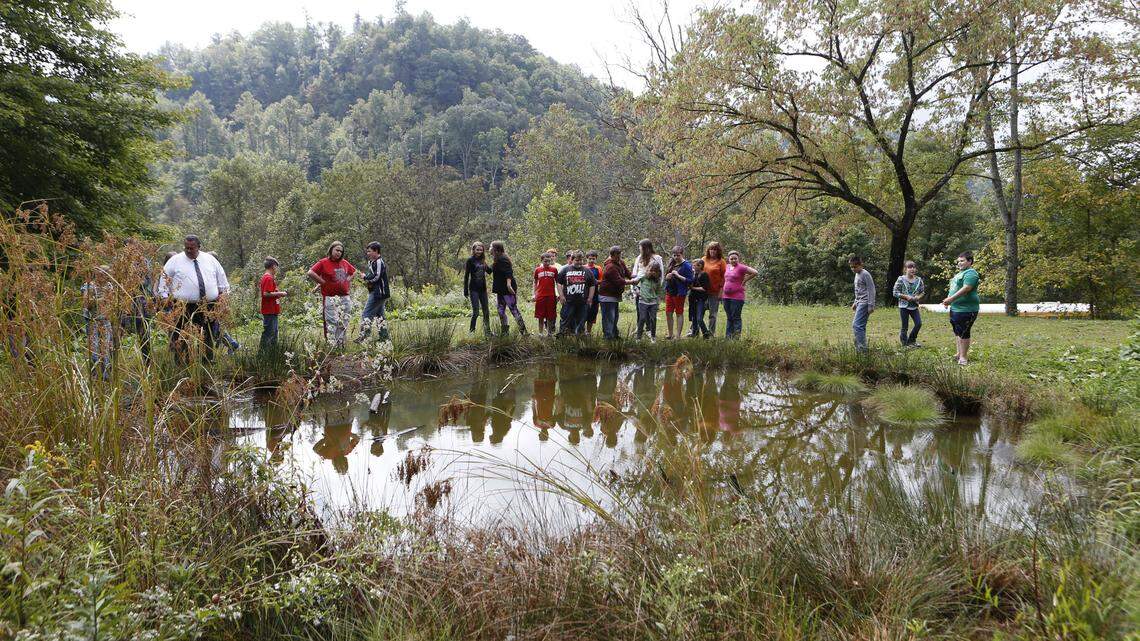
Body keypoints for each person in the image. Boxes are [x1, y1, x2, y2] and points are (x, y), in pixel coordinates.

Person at [158, 235, 230, 364]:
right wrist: (164, 297)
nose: (188, 251)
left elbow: (222, 279)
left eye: (192, 248)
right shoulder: (175, 260)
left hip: (209, 304)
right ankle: (181, 363)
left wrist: (223, 294)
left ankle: (206, 361)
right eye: (186, 248)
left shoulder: (210, 260)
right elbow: (163, 280)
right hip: (182, 305)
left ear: (199, 247)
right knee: (181, 334)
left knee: (208, 333)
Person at [307, 241, 357, 349]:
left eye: (341, 251)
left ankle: (341, 345)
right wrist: (322, 282)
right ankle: (331, 347)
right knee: (332, 322)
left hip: (344, 297)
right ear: (331, 250)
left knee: (344, 321)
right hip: (330, 297)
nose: (339, 253)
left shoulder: (344, 262)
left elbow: (354, 272)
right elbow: (310, 272)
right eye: (337, 250)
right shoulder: (323, 262)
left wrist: (348, 280)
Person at [941, 251, 980, 366]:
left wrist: (951, 299)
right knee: (957, 331)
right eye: (958, 261)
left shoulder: (971, 273)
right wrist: (948, 300)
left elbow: (967, 288)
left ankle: (963, 357)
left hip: (967, 309)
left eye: (962, 261)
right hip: (955, 309)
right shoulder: (959, 274)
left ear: (970, 261)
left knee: (964, 332)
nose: (959, 263)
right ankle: (959, 353)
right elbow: (954, 288)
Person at [82, 265, 115, 380]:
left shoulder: (109, 286)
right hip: (92, 321)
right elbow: (86, 304)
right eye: (105, 275)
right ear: (99, 274)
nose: (107, 277)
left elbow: (112, 302)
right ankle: (95, 375)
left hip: (105, 320)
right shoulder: (89, 286)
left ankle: (106, 376)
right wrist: (101, 300)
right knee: (94, 349)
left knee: (106, 348)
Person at [490, 240, 528, 336]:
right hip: (500, 290)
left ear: (496, 249)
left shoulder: (503, 258)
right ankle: (505, 333)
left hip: (507, 289)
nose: (489, 248)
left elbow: (509, 272)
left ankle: (524, 333)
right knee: (501, 311)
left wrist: (508, 285)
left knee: (513, 310)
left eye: (491, 246)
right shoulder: (497, 259)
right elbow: (489, 270)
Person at [205, 251, 240, 354]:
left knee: (215, 329)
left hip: (216, 304)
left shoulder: (216, 272)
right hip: (210, 305)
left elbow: (223, 290)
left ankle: (232, 344)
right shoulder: (209, 271)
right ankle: (232, 344)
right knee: (215, 328)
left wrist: (220, 305)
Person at [556, 250, 596, 336]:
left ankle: (579, 337)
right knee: (565, 319)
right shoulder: (565, 270)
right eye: (577, 260)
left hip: (583, 302)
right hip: (568, 301)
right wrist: (561, 296)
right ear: (572, 259)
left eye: (581, 260)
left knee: (581, 320)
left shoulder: (587, 271)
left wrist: (590, 298)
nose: (579, 262)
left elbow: (592, 285)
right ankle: (562, 337)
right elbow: (559, 283)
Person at [598, 246, 634, 340]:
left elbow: (628, 274)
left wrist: (638, 276)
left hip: (615, 295)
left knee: (615, 317)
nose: (618, 257)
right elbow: (619, 281)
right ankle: (608, 337)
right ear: (612, 255)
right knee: (609, 317)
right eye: (616, 255)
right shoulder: (610, 267)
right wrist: (633, 282)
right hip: (606, 295)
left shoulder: (621, 262)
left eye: (619, 254)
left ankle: (614, 334)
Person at [358, 241, 391, 342]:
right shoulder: (371, 262)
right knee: (380, 315)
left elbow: (376, 276)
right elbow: (372, 275)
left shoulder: (379, 262)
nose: (368, 253)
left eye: (369, 251)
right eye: (367, 251)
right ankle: (384, 338)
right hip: (375, 292)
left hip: (379, 293)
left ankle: (364, 337)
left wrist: (365, 277)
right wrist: (367, 278)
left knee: (366, 314)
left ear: (376, 251)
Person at [721, 250, 758, 339]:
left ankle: (736, 338)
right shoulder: (727, 267)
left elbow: (755, 272)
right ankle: (728, 337)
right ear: (728, 259)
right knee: (729, 317)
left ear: (738, 259)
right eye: (731, 259)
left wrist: (745, 280)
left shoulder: (741, 267)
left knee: (736, 317)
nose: (733, 260)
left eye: (735, 259)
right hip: (726, 296)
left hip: (737, 297)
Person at [663, 245, 694, 340]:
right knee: (668, 313)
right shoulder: (672, 263)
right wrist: (666, 277)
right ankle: (670, 334)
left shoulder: (687, 265)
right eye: (674, 255)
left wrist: (678, 275)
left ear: (682, 254)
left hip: (679, 293)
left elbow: (690, 281)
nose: (676, 257)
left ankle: (678, 336)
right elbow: (666, 276)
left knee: (679, 313)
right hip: (669, 291)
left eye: (678, 255)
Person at [893, 260, 925, 347]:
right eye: (910, 267)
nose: (912, 269)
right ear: (905, 269)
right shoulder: (901, 279)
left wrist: (917, 297)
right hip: (904, 306)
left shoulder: (919, 280)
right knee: (905, 327)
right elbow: (895, 292)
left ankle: (912, 340)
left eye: (914, 267)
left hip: (914, 306)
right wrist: (906, 297)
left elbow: (922, 292)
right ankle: (905, 344)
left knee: (918, 324)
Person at [259, 256, 288, 351]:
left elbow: (270, 292)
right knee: (269, 333)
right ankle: (264, 353)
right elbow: (266, 294)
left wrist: (277, 294)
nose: (277, 269)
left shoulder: (268, 277)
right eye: (276, 267)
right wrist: (280, 293)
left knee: (273, 332)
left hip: (272, 310)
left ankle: (272, 352)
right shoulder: (268, 278)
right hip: (269, 310)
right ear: (273, 266)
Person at [463, 241, 492, 335]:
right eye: (477, 250)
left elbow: (489, 271)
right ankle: (472, 332)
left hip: (483, 289)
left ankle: (487, 332)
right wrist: (465, 290)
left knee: (486, 312)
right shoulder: (470, 260)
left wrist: (497, 261)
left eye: (481, 250)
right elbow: (466, 276)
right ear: (474, 250)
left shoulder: (483, 260)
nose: (479, 251)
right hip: (473, 289)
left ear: (483, 250)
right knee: (476, 312)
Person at [849, 255, 876, 352]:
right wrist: (855, 302)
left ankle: (862, 349)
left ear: (861, 265)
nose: (853, 269)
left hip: (865, 303)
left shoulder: (865, 274)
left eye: (855, 266)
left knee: (856, 325)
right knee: (860, 326)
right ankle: (860, 348)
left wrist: (871, 305)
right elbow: (858, 290)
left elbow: (871, 289)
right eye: (851, 267)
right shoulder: (857, 275)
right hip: (860, 302)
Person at [702, 241, 727, 334]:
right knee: (699, 312)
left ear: (718, 251)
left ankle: (711, 333)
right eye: (711, 249)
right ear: (708, 250)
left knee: (713, 314)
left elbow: (724, 277)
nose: (713, 251)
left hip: (715, 292)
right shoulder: (703, 259)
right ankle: (693, 331)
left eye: (715, 249)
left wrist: (721, 291)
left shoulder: (721, 261)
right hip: (702, 291)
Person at [635, 262, 664, 340]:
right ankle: (638, 338)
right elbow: (635, 283)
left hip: (653, 302)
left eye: (655, 271)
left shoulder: (657, 281)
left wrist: (658, 302)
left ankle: (653, 337)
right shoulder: (643, 277)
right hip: (643, 301)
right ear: (648, 270)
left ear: (658, 272)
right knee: (642, 318)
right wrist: (637, 290)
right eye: (651, 270)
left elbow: (658, 292)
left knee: (653, 319)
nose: (653, 272)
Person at [533, 252, 559, 336]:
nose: (547, 263)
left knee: (550, 316)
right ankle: (540, 333)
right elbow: (535, 282)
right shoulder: (537, 270)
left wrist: (558, 293)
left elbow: (557, 282)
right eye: (545, 261)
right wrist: (534, 294)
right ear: (541, 261)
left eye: (549, 261)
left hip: (551, 295)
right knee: (540, 316)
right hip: (541, 295)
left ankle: (549, 333)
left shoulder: (554, 270)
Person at [687, 259, 711, 338]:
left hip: (701, 299)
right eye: (693, 265)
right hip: (693, 298)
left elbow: (704, 288)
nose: (693, 267)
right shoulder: (693, 274)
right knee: (693, 317)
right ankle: (695, 333)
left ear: (700, 266)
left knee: (699, 318)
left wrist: (693, 288)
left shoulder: (704, 275)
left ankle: (705, 333)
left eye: (694, 265)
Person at [584, 250, 601, 334]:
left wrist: (595, 282)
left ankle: (588, 332)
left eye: (593, 259)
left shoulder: (598, 268)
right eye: (590, 259)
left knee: (593, 312)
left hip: (595, 293)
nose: (591, 260)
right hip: (584, 293)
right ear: (586, 259)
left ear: (596, 259)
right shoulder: (583, 268)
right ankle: (581, 330)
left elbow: (601, 280)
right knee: (583, 312)